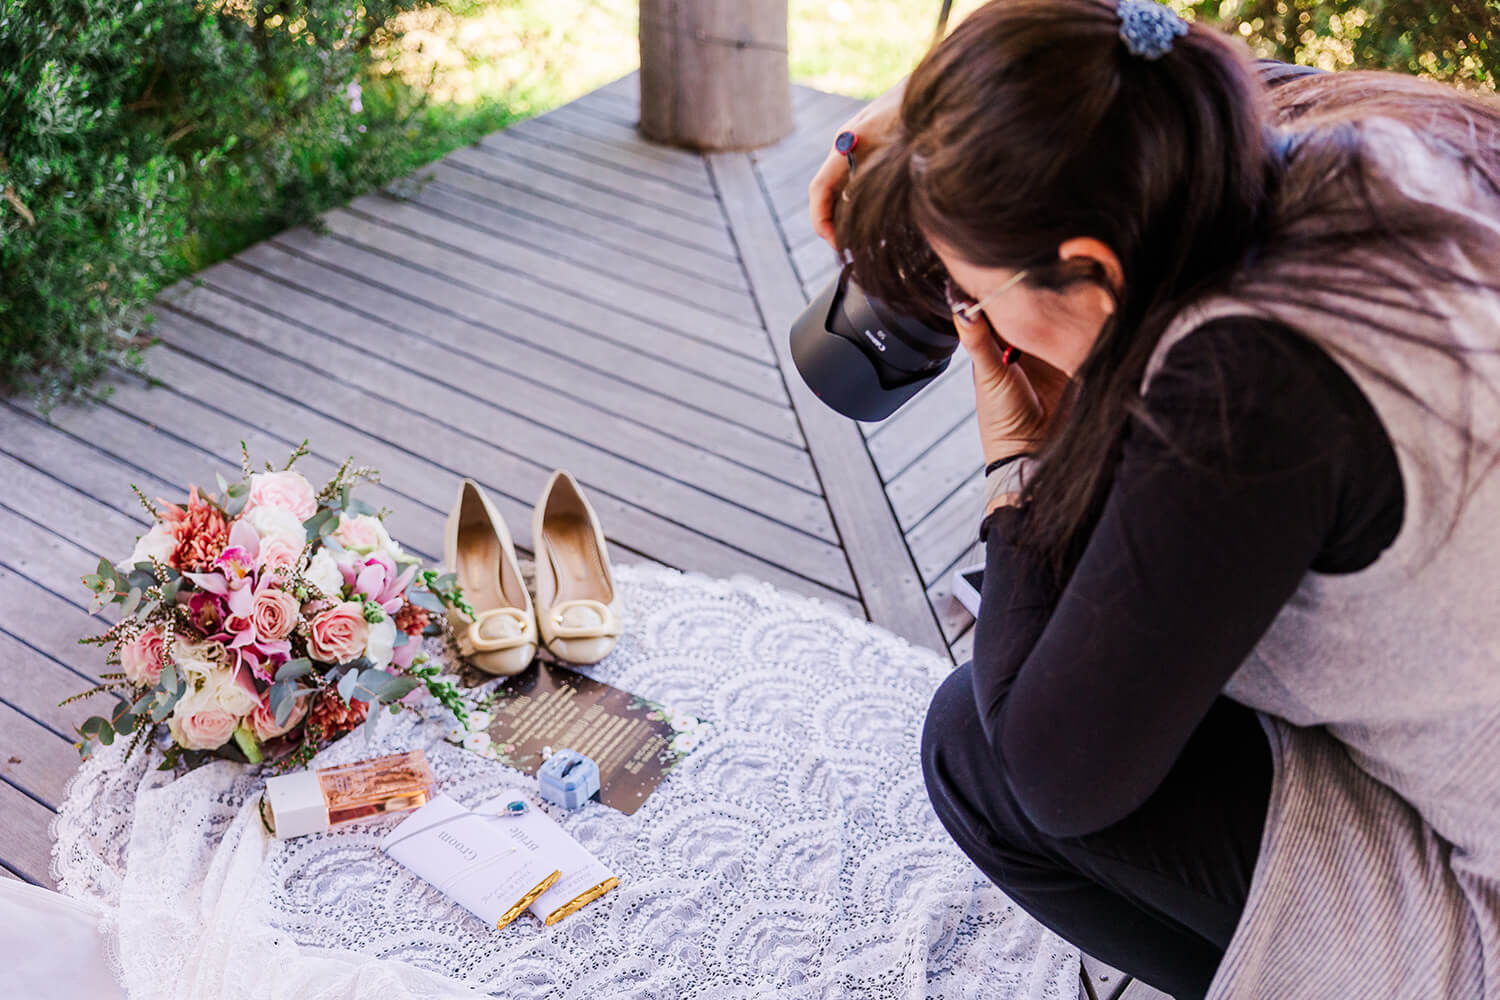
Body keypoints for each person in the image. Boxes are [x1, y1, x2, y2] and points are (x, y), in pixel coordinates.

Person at [806, 2, 1500, 998]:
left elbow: (1054, 775)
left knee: (976, 747)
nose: (973, 322)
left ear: (1091, 269)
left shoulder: (1245, 381)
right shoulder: (1358, 143)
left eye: (973, 294)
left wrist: (1019, 461)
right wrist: (929, 120)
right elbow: (1126, 69)